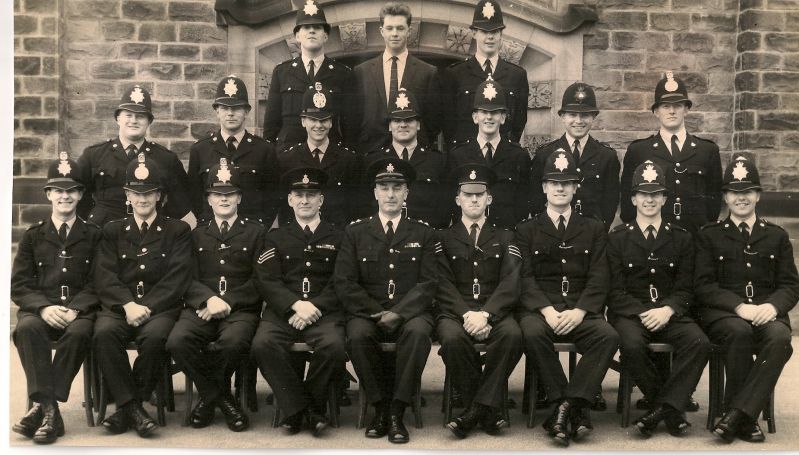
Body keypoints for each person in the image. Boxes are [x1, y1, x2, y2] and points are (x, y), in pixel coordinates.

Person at [515, 150, 619, 447]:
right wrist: (547, 311)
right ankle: (573, 407)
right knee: (532, 332)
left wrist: (581, 311)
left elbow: (600, 277)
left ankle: (564, 407)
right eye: (554, 183)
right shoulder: (526, 229)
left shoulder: (594, 228)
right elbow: (524, 277)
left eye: (567, 183)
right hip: (542, 311)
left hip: (580, 310)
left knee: (608, 336)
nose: (560, 188)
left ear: (576, 188)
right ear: (544, 187)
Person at [695, 155, 799, 443]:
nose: (741, 198)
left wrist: (772, 306)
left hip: (767, 311)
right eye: (735, 193)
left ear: (758, 195)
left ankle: (737, 414)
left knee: (779, 338)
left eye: (748, 192)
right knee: (738, 331)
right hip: (725, 314)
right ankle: (746, 417)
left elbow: (791, 285)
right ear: (726, 197)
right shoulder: (709, 236)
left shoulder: (776, 236)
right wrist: (738, 306)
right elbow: (703, 286)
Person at [335, 157, 439, 444]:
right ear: (375, 193)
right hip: (367, 312)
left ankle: (397, 409)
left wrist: (400, 313)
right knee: (356, 335)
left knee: (418, 334)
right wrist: (377, 312)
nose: (390, 194)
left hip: (411, 313)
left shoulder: (423, 232)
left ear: (407, 193)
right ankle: (379, 407)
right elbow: (345, 282)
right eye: (384, 187)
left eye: (397, 187)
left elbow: (429, 282)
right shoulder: (355, 232)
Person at [606, 160, 710, 437]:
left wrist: (668, 310)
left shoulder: (682, 238)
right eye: (643, 194)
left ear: (664, 198)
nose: (649, 200)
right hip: (631, 314)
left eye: (655, 194)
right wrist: (642, 312)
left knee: (699, 342)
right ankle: (672, 408)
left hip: (670, 312)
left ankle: (662, 408)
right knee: (630, 343)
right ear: (633, 198)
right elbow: (614, 291)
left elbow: (686, 288)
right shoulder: (617, 239)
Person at [92, 154, 192, 437]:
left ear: (159, 196)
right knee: (104, 334)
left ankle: (124, 409)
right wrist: (127, 304)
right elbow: (105, 275)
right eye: (136, 193)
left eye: (148, 193)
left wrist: (144, 307)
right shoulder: (112, 230)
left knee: (157, 337)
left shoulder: (178, 230)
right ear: (127, 195)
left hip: (160, 309)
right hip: (119, 307)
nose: (142, 199)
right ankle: (133, 407)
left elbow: (178, 277)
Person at [11, 153, 102, 444]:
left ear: (80, 195)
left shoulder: (94, 235)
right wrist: (44, 307)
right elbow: (21, 285)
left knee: (80, 334)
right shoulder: (33, 236)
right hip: (42, 310)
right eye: (59, 191)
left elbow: (100, 281)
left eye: (72, 190)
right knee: (25, 329)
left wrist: (76, 309)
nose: (65, 196)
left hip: (79, 311)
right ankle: (50, 410)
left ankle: (41, 406)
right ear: (49, 194)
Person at [166, 161, 264, 432]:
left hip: (240, 310)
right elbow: (185, 277)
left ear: (239, 198)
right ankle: (222, 398)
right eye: (217, 194)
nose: (224, 199)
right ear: (208, 199)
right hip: (201, 307)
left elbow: (261, 279)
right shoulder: (194, 235)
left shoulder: (256, 232)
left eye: (230, 194)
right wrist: (208, 300)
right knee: (177, 341)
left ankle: (208, 401)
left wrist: (227, 301)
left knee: (234, 342)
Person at [252, 167, 347, 437]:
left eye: (311, 194)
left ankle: (297, 409)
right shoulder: (275, 237)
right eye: (299, 195)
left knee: (334, 346)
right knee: (262, 344)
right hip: (284, 313)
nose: (305, 200)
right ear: (290, 200)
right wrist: (295, 305)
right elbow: (266, 280)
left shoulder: (338, 236)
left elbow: (343, 280)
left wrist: (314, 307)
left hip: (323, 312)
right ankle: (306, 410)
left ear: (321, 200)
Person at [437, 164, 523, 439]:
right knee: (451, 339)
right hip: (456, 313)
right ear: (458, 199)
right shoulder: (443, 238)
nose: (474, 199)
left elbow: (511, 281)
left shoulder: (506, 236)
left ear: (490, 199)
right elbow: (441, 283)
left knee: (513, 335)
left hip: (493, 313)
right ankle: (488, 409)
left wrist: (486, 314)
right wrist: (466, 314)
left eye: (480, 195)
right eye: (468, 194)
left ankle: (474, 409)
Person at [620, 71, 722, 235]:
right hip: (654, 239)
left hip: (695, 238)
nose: (672, 111)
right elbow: (627, 205)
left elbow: (714, 203)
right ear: (656, 111)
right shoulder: (639, 151)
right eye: (665, 106)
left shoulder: (707, 151)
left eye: (678, 105)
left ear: (686, 110)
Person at [77, 85, 191, 226]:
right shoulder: (94, 154)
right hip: (104, 232)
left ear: (149, 122)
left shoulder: (166, 159)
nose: (134, 120)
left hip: (150, 233)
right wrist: (95, 217)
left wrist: (160, 220)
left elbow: (182, 201)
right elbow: (75, 193)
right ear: (118, 118)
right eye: (128, 115)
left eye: (140, 116)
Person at [262, 0, 357, 151]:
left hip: (329, 155)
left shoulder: (342, 74)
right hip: (288, 156)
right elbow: (271, 125)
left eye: (317, 27)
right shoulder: (282, 72)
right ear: (297, 36)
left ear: (325, 36)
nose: (312, 31)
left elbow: (351, 125)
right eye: (306, 27)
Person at [187, 75, 281, 226]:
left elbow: (273, 196)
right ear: (217, 111)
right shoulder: (200, 150)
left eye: (236, 108)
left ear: (246, 111)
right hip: (211, 233)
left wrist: (259, 228)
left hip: (252, 233)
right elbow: (194, 195)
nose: (230, 113)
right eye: (224, 108)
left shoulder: (264, 150)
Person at [353, 2, 440, 154]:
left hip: (412, 153)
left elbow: (433, 121)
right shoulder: (362, 71)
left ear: (409, 31)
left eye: (400, 28)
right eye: (389, 28)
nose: (394, 33)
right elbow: (353, 119)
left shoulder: (427, 72)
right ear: (381, 31)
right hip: (371, 152)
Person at [531, 82, 620, 230]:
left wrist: (598, 231)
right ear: (562, 116)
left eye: (585, 115)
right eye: (572, 114)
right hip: (552, 232)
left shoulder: (606, 156)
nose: (578, 121)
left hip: (591, 235)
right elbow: (535, 200)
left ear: (593, 117)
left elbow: (610, 203)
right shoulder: (545, 154)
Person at [447, 76, 532, 229]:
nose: (489, 117)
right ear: (475, 117)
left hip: (507, 235)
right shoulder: (458, 155)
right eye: (484, 111)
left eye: (495, 112)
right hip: (469, 235)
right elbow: (452, 203)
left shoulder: (518, 156)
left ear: (503, 117)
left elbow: (524, 203)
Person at [441, 0, 528, 148]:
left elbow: (519, 121)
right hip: (465, 156)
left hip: (503, 154)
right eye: (484, 31)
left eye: (494, 31)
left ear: (501, 34)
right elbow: (447, 122)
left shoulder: (516, 75)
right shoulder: (455, 74)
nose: (490, 37)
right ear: (474, 33)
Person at [362, 88, 449, 228]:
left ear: (419, 124)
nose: (403, 125)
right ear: (390, 126)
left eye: (409, 120)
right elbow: (365, 205)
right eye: (397, 120)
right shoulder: (373, 161)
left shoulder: (437, 160)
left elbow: (444, 205)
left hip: (425, 236)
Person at [278, 84, 362, 228]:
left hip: (337, 237)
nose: (319, 125)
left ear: (330, 123)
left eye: (324, 120)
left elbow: (355, 207)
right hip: (300, 237)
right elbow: (284, 208)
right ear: (303, 121)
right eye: (313, 119)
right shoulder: (288, 159)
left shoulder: (348, 160)